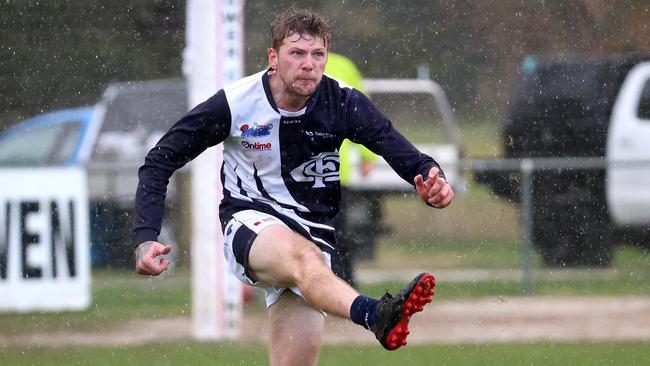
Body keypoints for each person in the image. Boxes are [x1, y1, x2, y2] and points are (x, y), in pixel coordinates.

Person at [133, 7, 454, 366]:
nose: (308, 64)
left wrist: (430, 176)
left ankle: (372, 313)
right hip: (250, 222)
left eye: (318, 55)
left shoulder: (342, 101)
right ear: (273, 58)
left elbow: (393, 144)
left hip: (313, 233)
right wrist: (146, 235)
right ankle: (375, 315)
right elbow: (160, 159)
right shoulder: (237, 103)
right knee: (305, 259)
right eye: (296, 53)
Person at [324, 52, 378, 287]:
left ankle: (344, 285)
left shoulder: (343, 66)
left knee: (338, 234)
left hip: (336, 173)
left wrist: (368, 154)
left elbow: (361, 112)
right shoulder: (284, 62)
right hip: (292, 175)